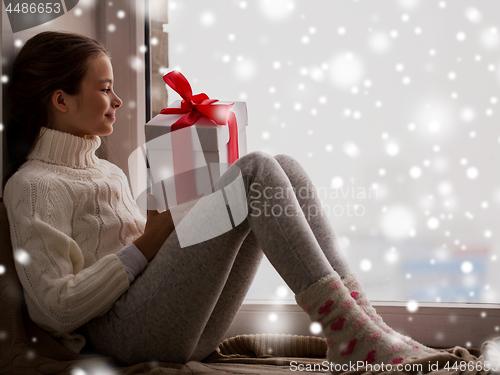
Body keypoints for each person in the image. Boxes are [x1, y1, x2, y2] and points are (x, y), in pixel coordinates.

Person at [3, 30, 437, 372]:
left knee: (283, 166)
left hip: (177, 325)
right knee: (255, 170)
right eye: (104, 89)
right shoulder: (33, 186)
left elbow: (138, 258)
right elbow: (55, 309)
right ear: (60, 100)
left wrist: (175, 221)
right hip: (123, 336)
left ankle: (362, 325)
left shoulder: (107, 171)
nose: (117, 100)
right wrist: (148, 243)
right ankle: (353, 336)